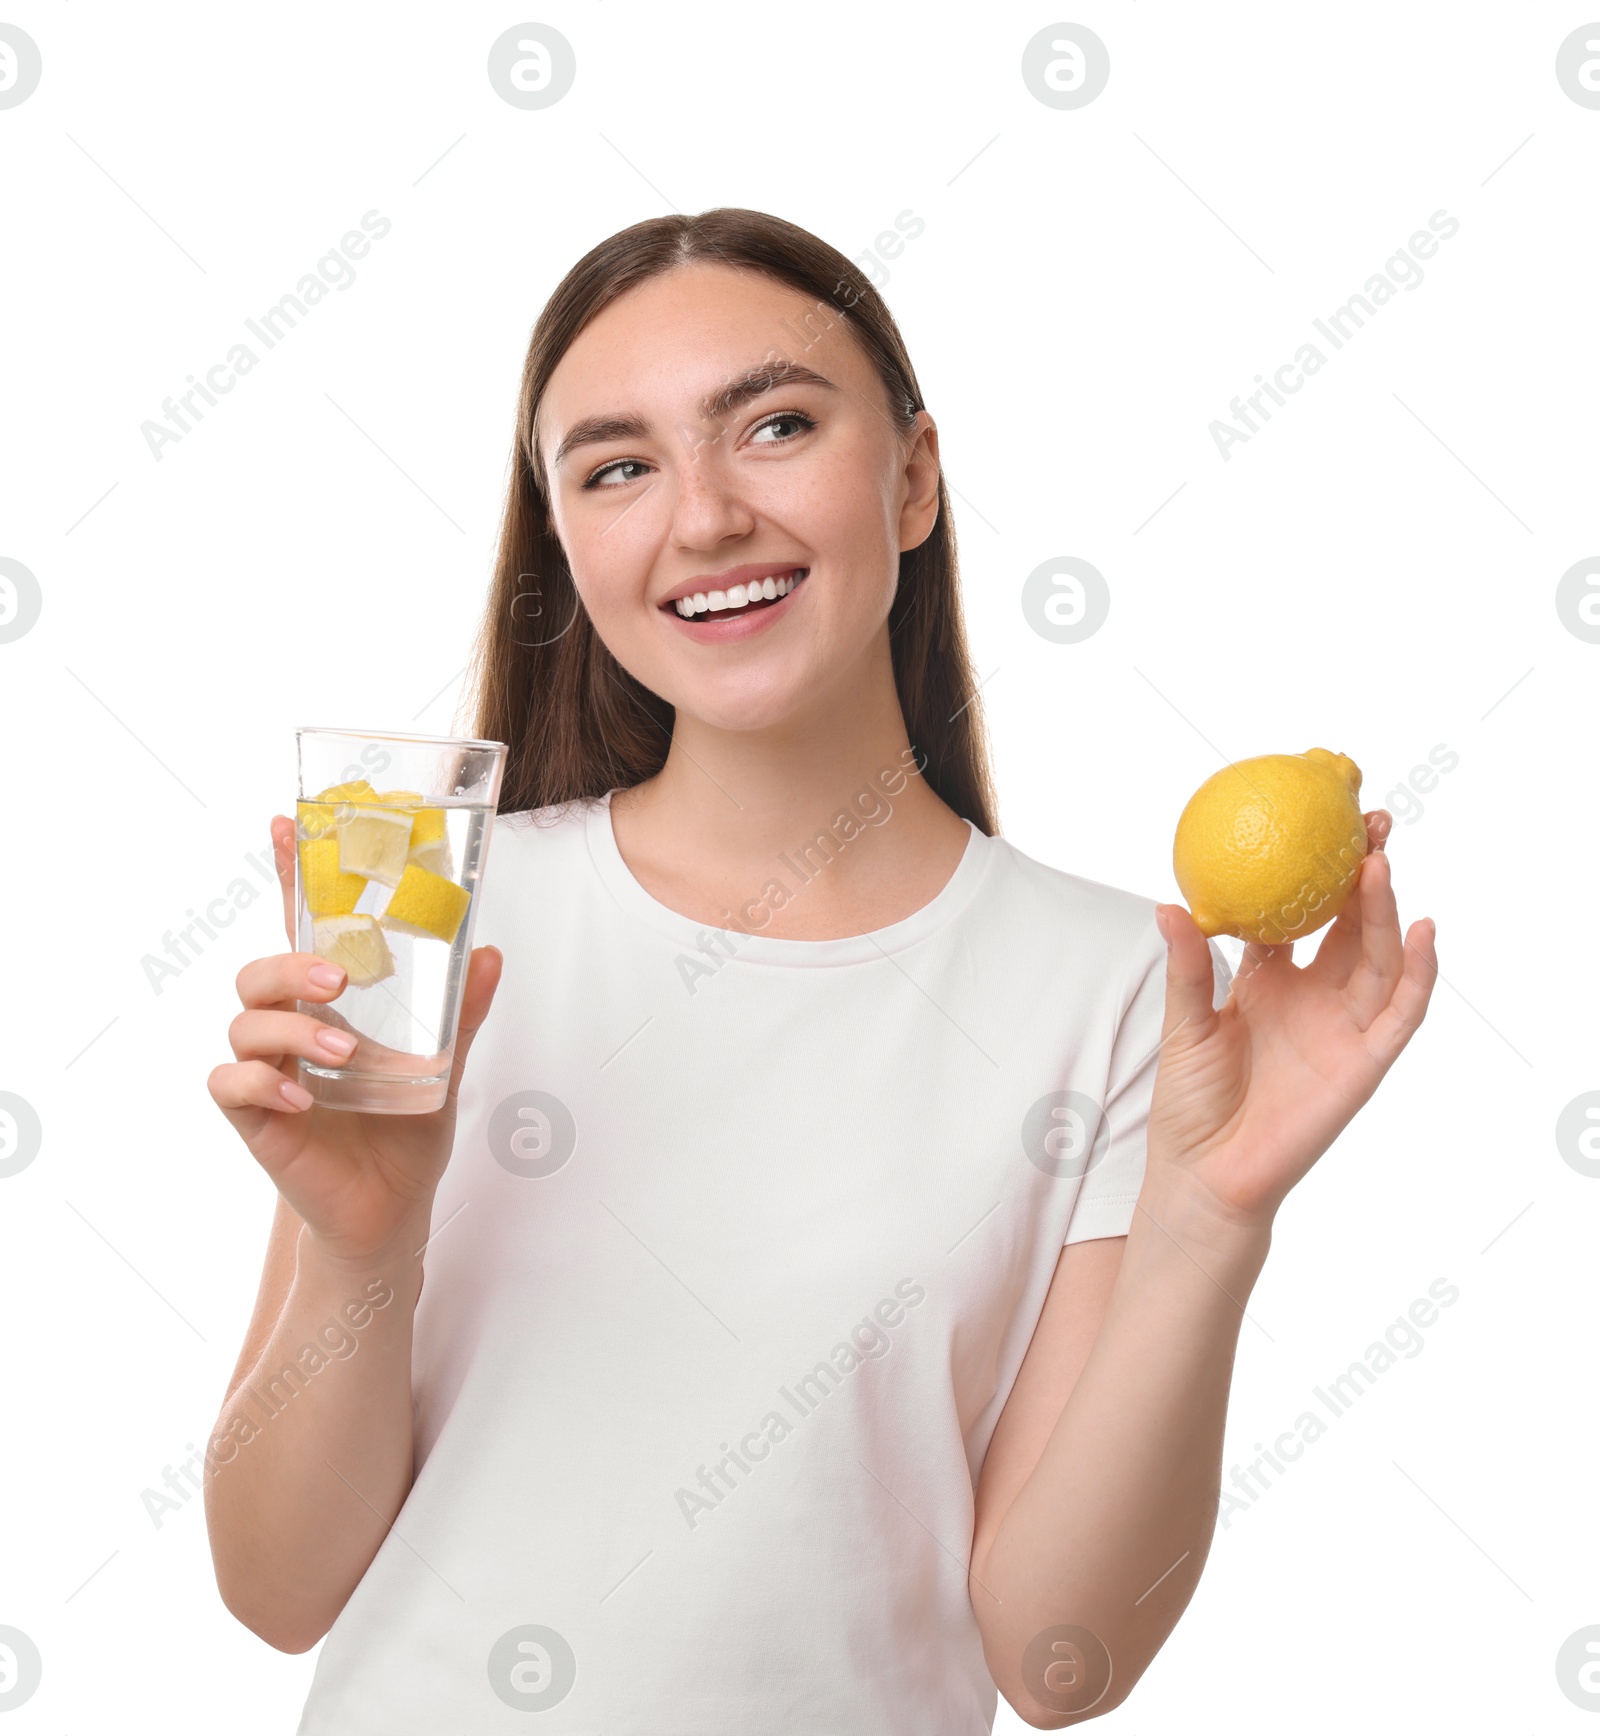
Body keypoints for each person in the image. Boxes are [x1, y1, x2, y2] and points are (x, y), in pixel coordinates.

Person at [203, 208, 1437, 1731]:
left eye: (774, 425)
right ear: (568, 540)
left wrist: (1210, 1218)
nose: (704, 515)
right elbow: (275, 1592)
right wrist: (363, 1254)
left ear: (913, 476)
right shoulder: (440, 913)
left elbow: (1061, 1657)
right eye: (619, 467)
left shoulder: (1119, 984)